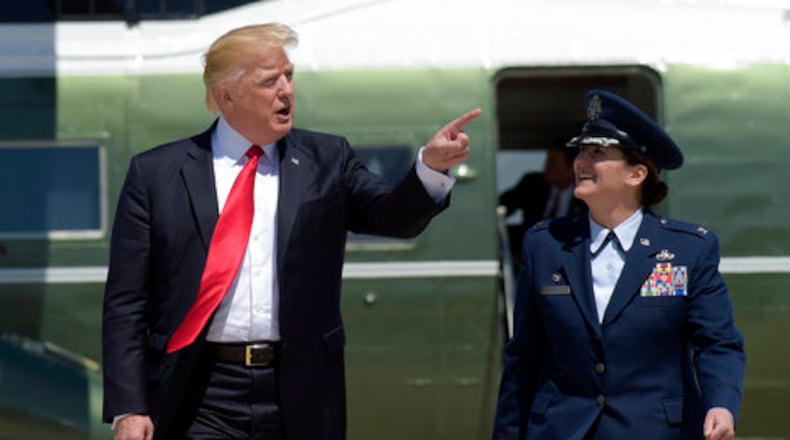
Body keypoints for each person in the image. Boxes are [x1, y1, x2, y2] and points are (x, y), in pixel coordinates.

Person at [102, 23, 481, 440]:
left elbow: (393, 216)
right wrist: (129, 407)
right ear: (227, 96)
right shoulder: (156, 174)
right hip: (199, 390)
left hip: (301, 388)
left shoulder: (327, 158)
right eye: (270, 81)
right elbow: (126, 302)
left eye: (289, 75)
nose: (287, 90)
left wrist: (430, 167)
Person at [492, 89, 745, 440]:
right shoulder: (545, 244)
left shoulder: (688, 250)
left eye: (597, 153)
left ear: (636, 174)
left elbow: (717, 342)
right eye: (580, 151)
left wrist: (721, 403)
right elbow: (523, 358)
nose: (580, 161)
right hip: (560, 429)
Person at [499, 142, 585, 261]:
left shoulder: (586, 195)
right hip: (531, 255)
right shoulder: (532, 185)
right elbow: (499, 207)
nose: (546, 166)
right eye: (547, 160)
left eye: (553, 162)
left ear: (572, 168)